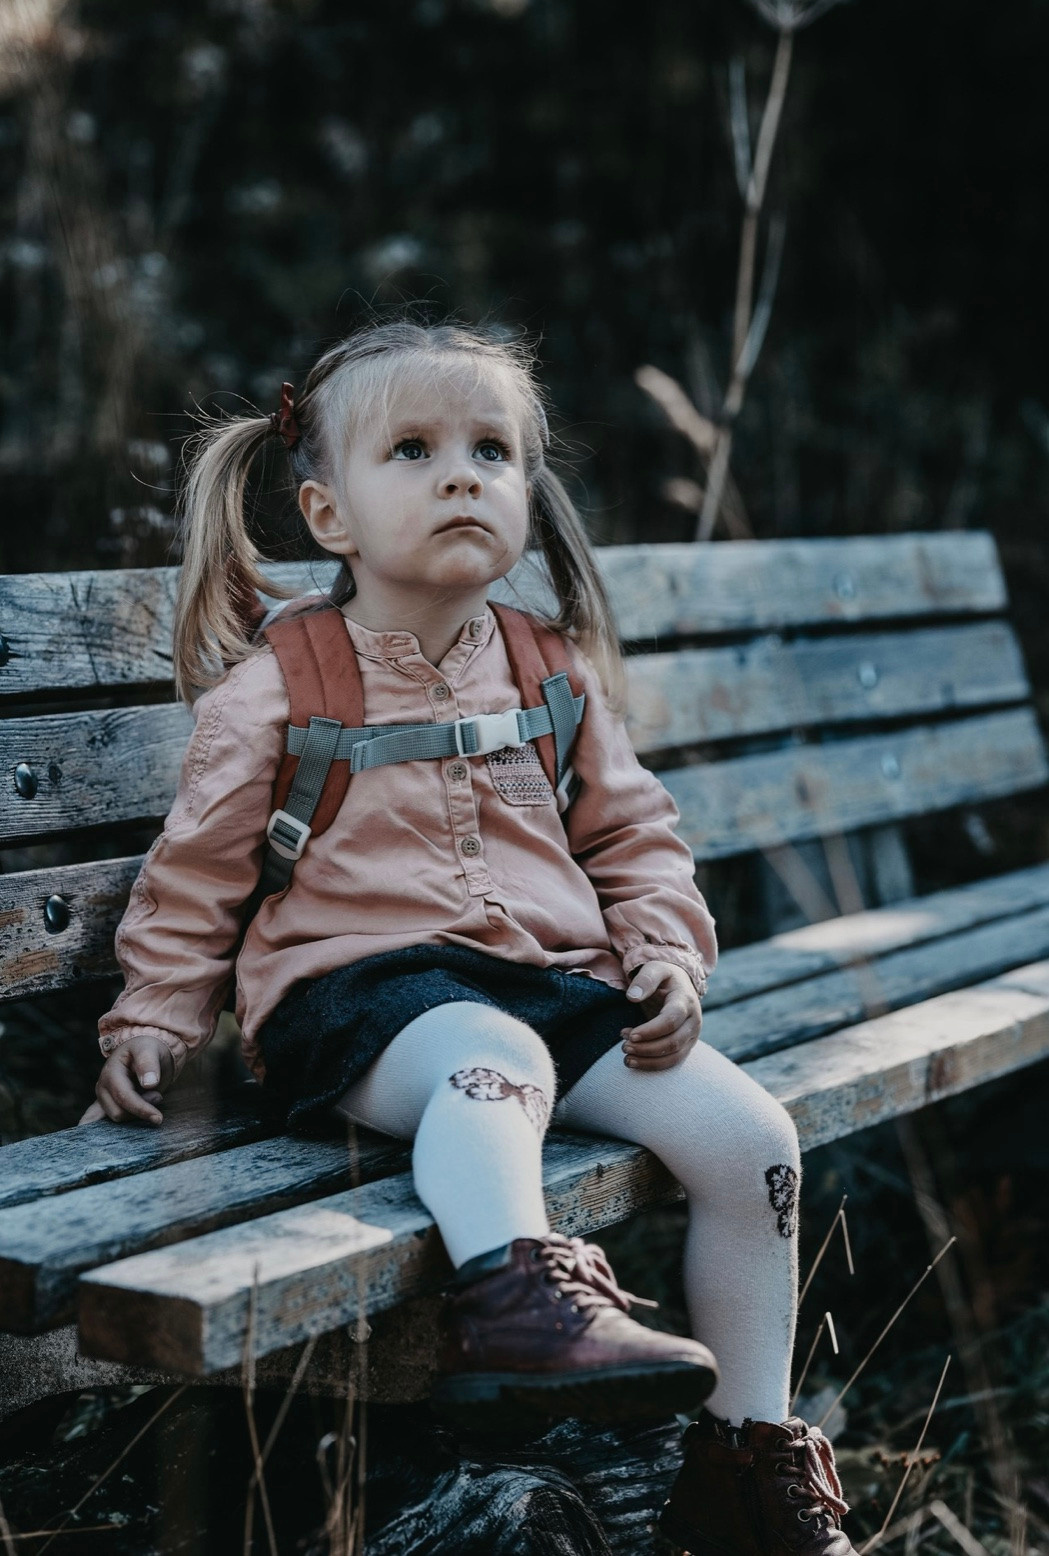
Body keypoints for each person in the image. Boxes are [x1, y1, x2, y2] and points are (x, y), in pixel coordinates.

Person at [79, 316, 855, 1553]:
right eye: (415, 449)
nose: (461, 473)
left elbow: (634, 837)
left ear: (527, 495)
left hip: (549, 984)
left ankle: (743, 1462)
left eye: (492, 450)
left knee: (749, 1135)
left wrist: (660, 950)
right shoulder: (286, 683)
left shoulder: (548, 673)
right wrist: (156, 1018)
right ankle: (517, 1298)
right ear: (327, 515)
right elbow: (197, 877)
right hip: (356, 1004)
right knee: (492, 1054)